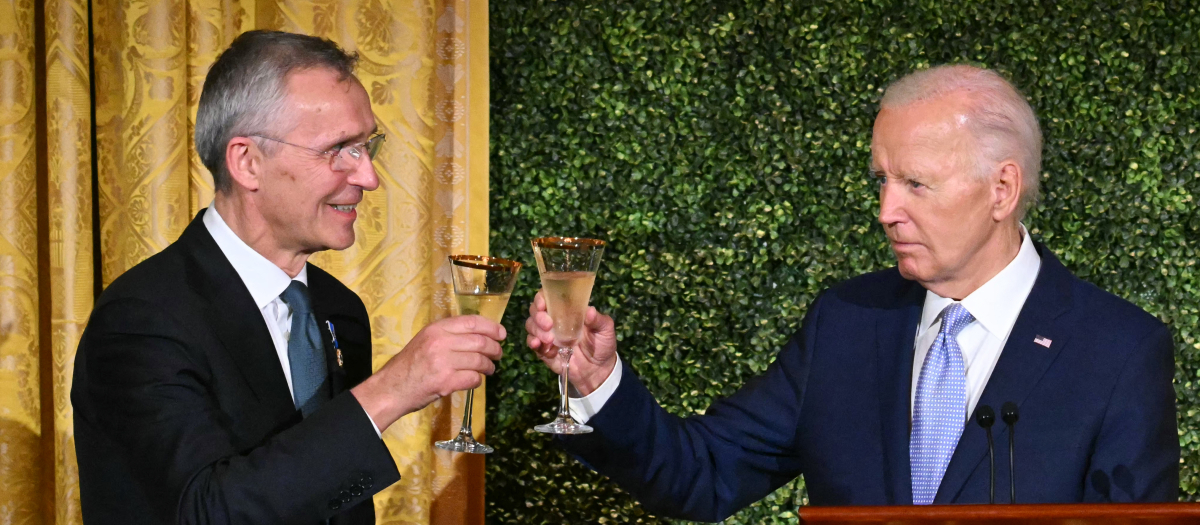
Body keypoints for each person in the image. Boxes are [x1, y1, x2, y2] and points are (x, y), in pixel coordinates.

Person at [524, 64, 1179, 521]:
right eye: (882, 180)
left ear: (1001, 190)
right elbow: (703, 473)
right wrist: (598, 380)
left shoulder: (1118, 351)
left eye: (915, 184)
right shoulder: (845, 322)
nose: (886, 210)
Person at [71, 30, 506, 525]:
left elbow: (330, 497)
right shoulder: (142, 320)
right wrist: (391, 391)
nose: (368, 177)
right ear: (247, 162)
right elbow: (207, 512)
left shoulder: (338, 310)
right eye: (339, 150)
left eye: (367, 147)